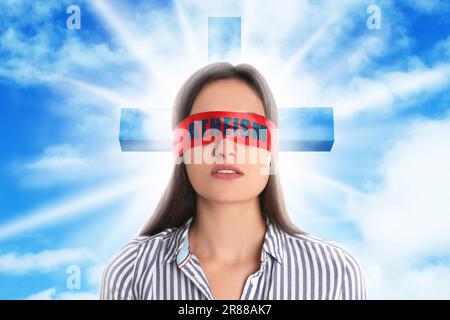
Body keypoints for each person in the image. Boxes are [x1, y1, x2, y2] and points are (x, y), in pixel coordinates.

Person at [100, 62, 367, 300]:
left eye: (247, 130)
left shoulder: (335, 272)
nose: (225, 148)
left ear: (271, 150)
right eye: (205, 130)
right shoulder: (132, 270)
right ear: (181, 147)